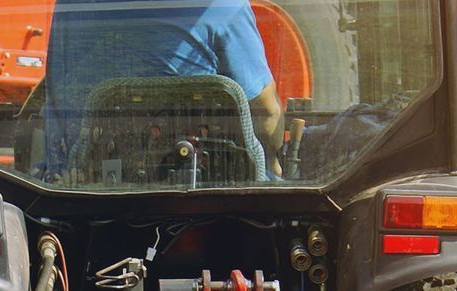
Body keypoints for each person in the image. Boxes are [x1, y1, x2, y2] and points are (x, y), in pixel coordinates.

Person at [41, 0, 284, 179]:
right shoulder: (224, 7)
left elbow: (61, 90)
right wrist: (273, 162)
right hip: (202, 187)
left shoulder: (72, 6)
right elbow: (267, 114)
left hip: (84, 186)